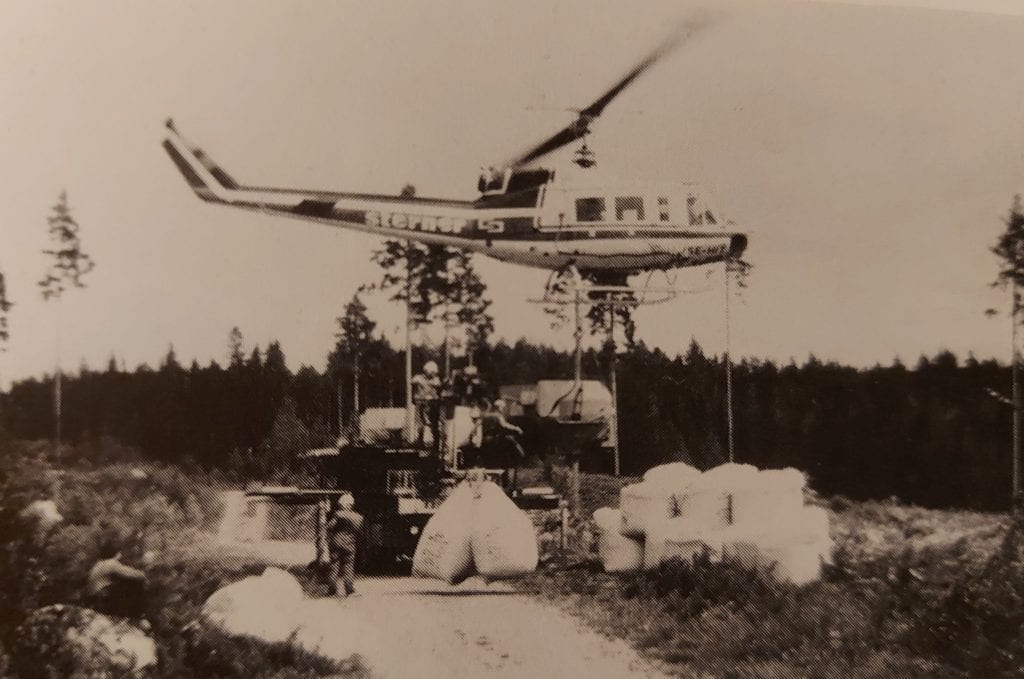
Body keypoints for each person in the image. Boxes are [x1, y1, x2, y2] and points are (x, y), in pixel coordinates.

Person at [86, 539, 148, 620]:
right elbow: (131, 573)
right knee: (133, 583)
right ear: (116, 553)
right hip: (103, 596)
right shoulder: (111, 563)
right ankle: (138, 614)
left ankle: (132, 613)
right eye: (119, 552)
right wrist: (145, 574)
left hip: (94, 596)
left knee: (122, 582)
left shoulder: (99, 563)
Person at [327, 493, 364, 597]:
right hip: (349, 545)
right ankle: (349, 590)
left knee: (334, 566)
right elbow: (359, 532)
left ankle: (332, 591)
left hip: (335, 544)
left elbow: (329, 527)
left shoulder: (337, 515)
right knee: (348, 567)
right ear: (351, 505)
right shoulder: (358, 517)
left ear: (342, 504)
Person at [411, 360, 442, 451]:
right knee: (421, 422)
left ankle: (436, 443)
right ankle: (420, 442)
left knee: (434, 423)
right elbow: (413, 384)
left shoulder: (435, 380)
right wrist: (415, 396)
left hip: (432, 402)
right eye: (431, 372)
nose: (433, 374)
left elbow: (438, 388)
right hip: (421, 401)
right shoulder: (418, 378)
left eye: (434, 372)